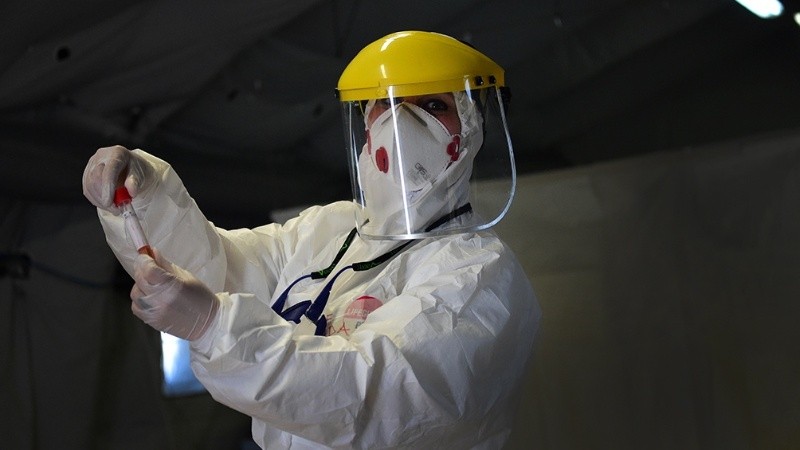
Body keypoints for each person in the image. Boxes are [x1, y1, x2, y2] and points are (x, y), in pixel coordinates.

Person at [83, 30, 540, 449]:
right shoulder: (333, 230)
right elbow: (226, 269)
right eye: (384, 101)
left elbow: (369, 395)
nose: (401, 121)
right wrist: (143, 198)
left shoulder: (477, 276)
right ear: (364, 123)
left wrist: (214, 328)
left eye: (434, 106)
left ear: (471, 129)